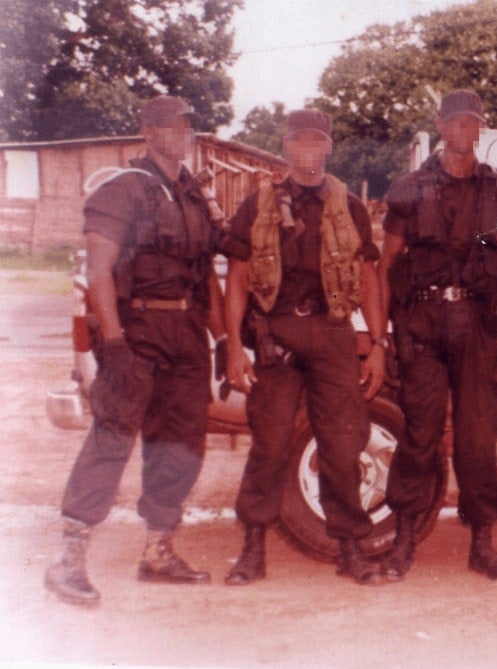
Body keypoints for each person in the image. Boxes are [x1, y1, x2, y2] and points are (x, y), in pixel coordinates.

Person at [44, 95, 228, 606]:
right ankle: (68, 562)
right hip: (138, 330)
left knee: (181, 446)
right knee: (112, 440)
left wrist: (226, 339)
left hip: (186, 334)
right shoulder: (123, 189)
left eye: (189, 123)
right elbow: (99, 270)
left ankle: (157, 551)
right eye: (173, 125)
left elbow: (204, 278)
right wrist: (117, 344)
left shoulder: (192, 197)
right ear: (148, 133)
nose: (184, 132)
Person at [221, 109, 387, 586]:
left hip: (332, 332)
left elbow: (370, 279)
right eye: (300, 143)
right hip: (277, 336)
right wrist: (235, 346)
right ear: (288, 147)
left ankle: (351, 548)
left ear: (328, 148)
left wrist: (378, 343)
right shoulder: (258, 206)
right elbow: (236, 280)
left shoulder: (350, 205)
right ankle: (253, 547)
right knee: (270, 444)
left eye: (318, 142)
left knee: (343, 442)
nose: (309, 151)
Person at [377, 89, 497, 581]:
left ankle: (481, 543)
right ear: (440, 127)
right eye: (455, 123)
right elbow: (385, 267)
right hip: (423, 323)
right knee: (419, 435)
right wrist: (386, 339)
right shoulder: (409, 189)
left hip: (479, 326)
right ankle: (402, 540)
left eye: (472, 123)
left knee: (478, 439)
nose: (464, 131)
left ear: (480, 128)